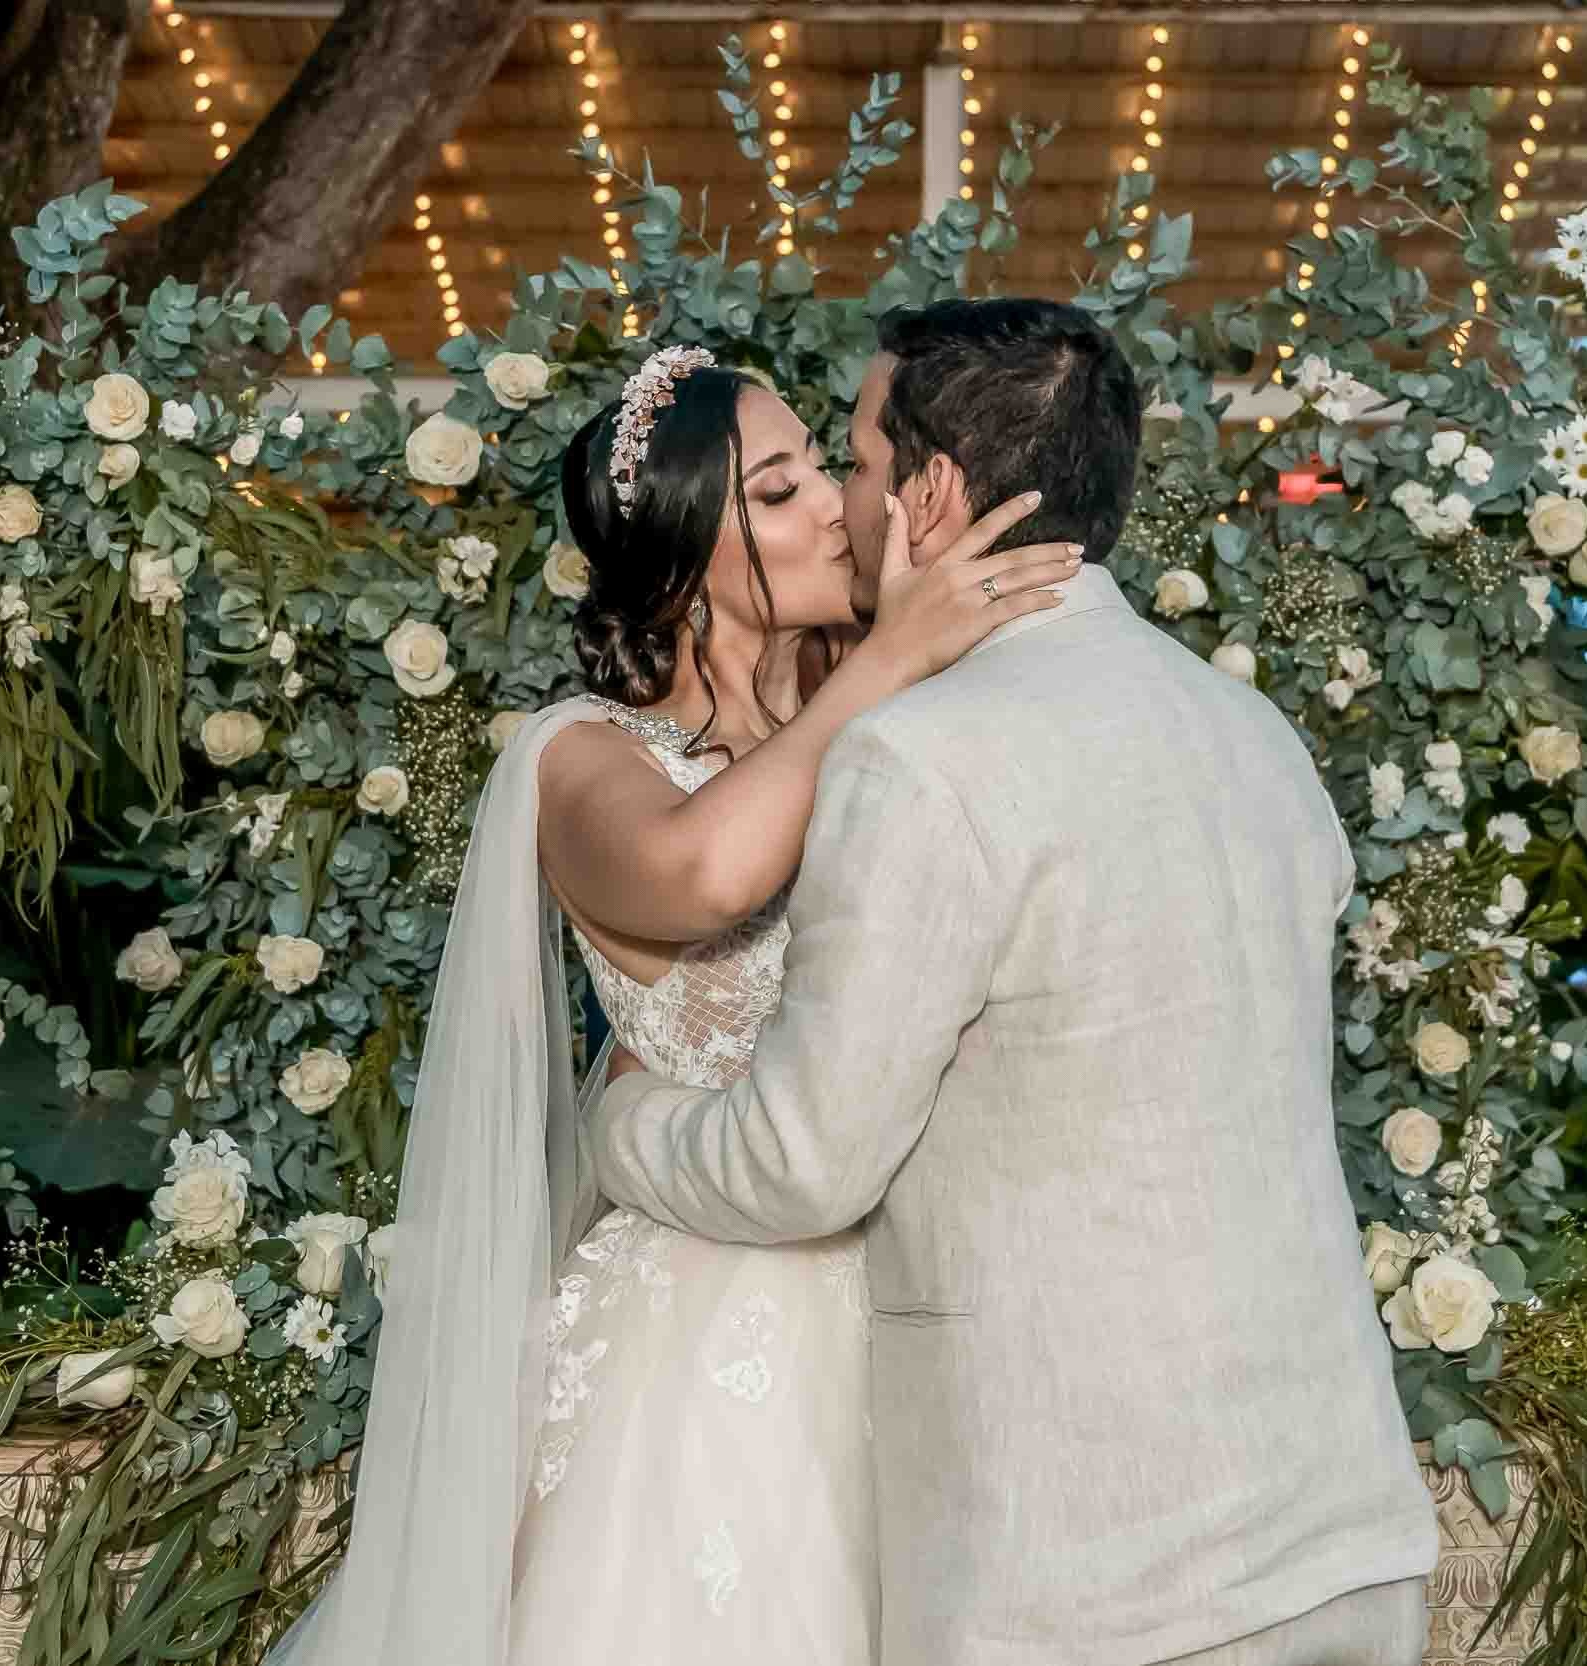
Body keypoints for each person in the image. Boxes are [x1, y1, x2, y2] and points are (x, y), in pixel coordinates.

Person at [586, 299, 1442, 1666]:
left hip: (1103, 1577)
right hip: (1341, 1532)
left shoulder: (923, 762)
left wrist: (621, 1120)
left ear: (927, 496)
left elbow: (802, 1166)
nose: (842, 504)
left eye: (854, 464)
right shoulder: (1256, 734)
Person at [267, 342, 1077, 1666]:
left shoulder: (891, 706)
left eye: (825, 469)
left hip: (926, 1298)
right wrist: (888, 663)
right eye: (779, 491)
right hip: (708, 1329)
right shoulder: (579, 760)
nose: (836, 510)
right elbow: (701, 874)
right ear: (687, 556)